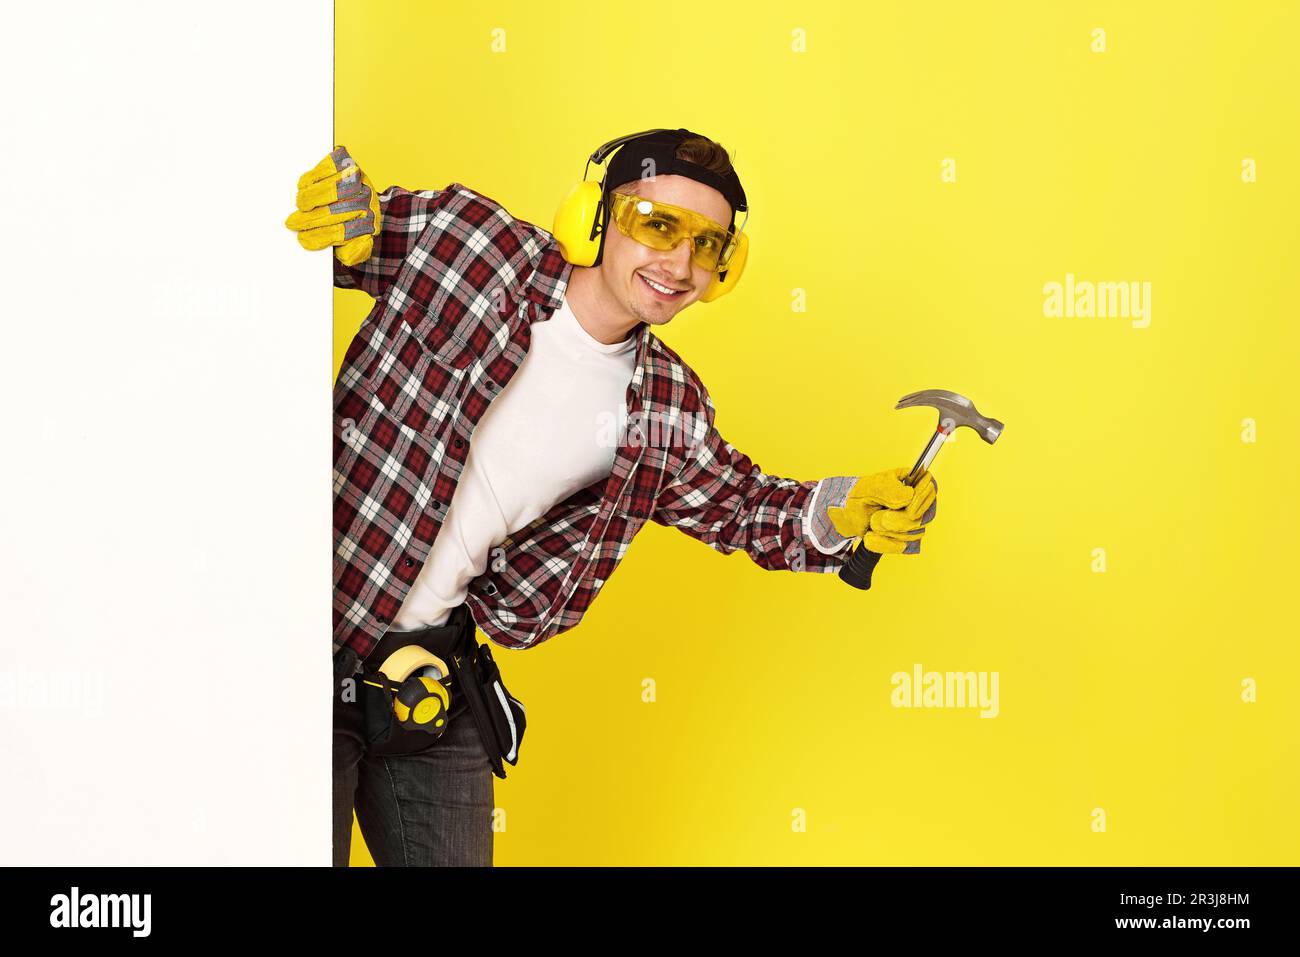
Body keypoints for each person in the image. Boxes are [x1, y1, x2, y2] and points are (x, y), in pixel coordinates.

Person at [286, 128, 939, 867]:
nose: (679, 263)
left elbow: (745, 508)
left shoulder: (667, 404)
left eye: (707, 246)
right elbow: (355, 231)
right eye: (657, 225)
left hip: (430, 686)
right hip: (302, 654)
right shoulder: (471, 247)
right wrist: (337, 199)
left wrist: (845, 508)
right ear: (594, 216)